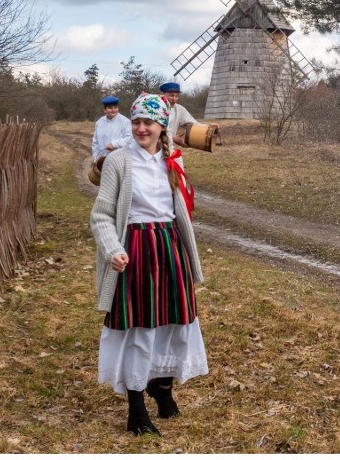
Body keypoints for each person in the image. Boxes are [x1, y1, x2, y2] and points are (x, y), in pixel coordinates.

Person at [90, 92, 207, 437]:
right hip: (135, 249)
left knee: (175, 320)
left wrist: (186, 253)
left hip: (169, 248)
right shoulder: (119, 162)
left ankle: (162, 387)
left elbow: (180, 210)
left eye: (149, 122)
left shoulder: (173, 160)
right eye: (137, 121)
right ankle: (137, 408)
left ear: (161, 126)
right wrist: (113, 248)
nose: (142, 128)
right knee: (140, 327)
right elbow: (100, 215)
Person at [159, 81, 204, 157]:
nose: (174, 99)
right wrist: (173, 138)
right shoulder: (155, 109)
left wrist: (210, 128)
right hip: (154, 150)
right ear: (163, 94)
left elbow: (193, 124)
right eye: (171, 95)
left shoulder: (179, 109)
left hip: (169, 150)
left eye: (176, 96)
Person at [91, 96, 132, 162]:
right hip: (102, 160)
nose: (113, 110)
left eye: (115, 107)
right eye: (110, 108)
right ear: (104, 110)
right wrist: (95, 158)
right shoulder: (99, 123)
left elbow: (129, 139)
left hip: (119, 160)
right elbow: (95, 142)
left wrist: (114, 144)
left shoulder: (125, 121)